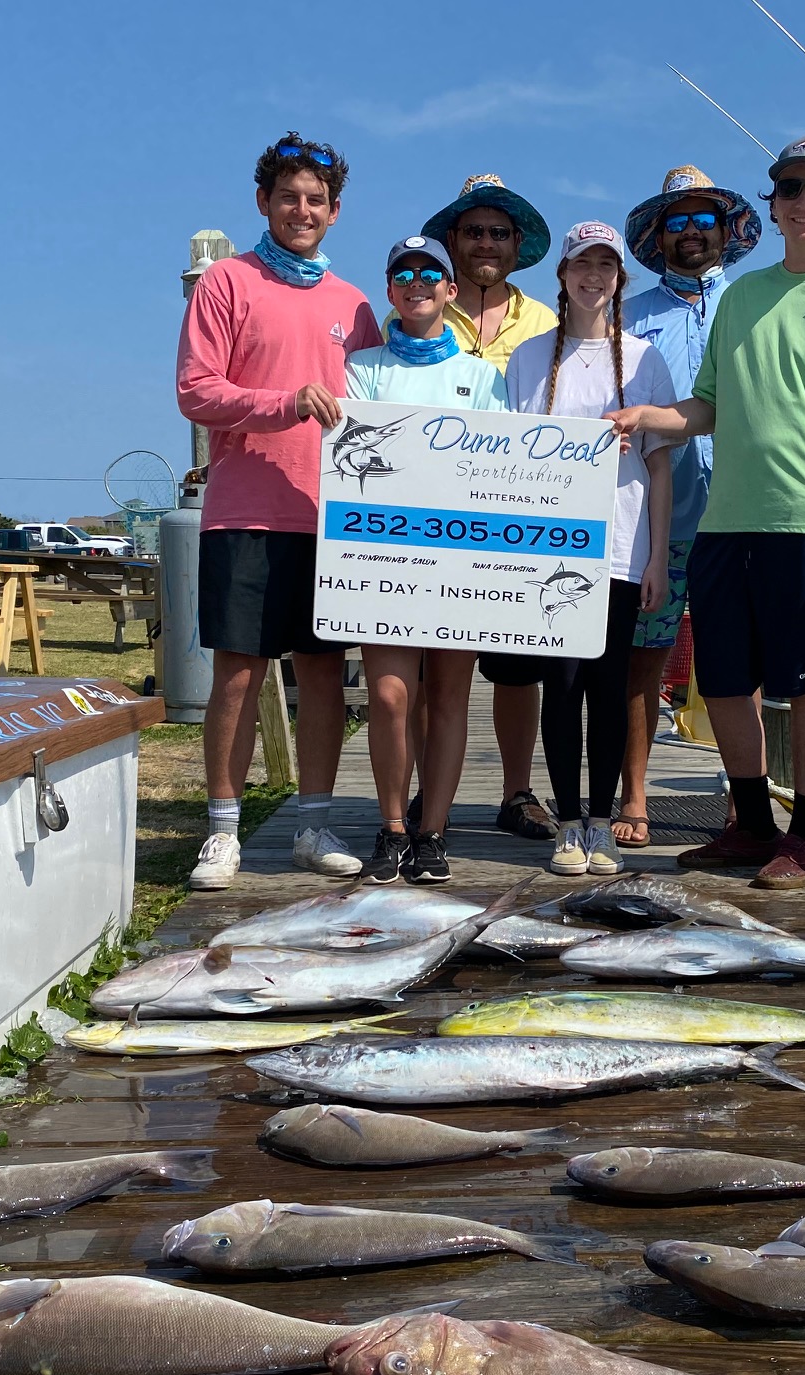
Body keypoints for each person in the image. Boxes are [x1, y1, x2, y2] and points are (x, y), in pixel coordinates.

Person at [608, 137, 805, 890]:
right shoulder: (740, 297)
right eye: (789, 188)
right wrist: (650, 415)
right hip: (724, 524)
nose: (803, 201)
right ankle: (752, 825)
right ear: (771, 207)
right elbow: (706, 409)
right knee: (728, 683)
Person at [176, 129, 382, 890]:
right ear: (263, 202)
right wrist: (283, 402)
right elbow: (196, 391)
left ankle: (313, 824)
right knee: (238, 674)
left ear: (335, 213)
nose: (303, 209)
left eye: (317, 200)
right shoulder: (226, 282)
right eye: (289, 197)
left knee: (324, 675)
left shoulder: (356, 304)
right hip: (246, 511)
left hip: (335, 520)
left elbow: (376, 409)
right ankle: (223, 830)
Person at [506, 222, 674, 877]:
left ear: (619, 279)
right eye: (583, 265)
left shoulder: (644, 359)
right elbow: (511, 459)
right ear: (564, 275)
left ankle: (602, 824)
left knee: (609, 690)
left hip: (621, 549)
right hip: (551, 552)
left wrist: (657, 556)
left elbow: (660, 470)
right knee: (562, 687)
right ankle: (568, 825)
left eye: (606, 266)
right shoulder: (529, 357)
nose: (593, 277)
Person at [344, 235, 507, 886]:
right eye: (402, 272)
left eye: (430, 272)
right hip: (382, 560)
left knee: (446, 700)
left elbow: (499, 471)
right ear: (390, 290)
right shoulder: (362, 367)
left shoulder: (482, 376)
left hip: (458, 563)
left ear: (450, 290)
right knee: (387, 697)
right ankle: (390, 827)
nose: (417, 281)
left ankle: (432, 831)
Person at [616, 165, 761, 849]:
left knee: (736, 666)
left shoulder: (755, 303)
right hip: (658, 523)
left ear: (726, 231)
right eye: (678, 221)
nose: (692, 232)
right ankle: (635, 795)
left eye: (705, 220)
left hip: (740, 516)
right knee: (645, 660)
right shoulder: (631, 316)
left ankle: (745, 801)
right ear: (659, 236)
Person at [418, 174, 560, 843]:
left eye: (498, 232)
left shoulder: (547, 322)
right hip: (433, 523)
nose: (485, 243)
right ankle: (429, 789)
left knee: (515, 669)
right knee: (433, 671)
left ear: (516, 244)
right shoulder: (418, 306)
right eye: (473, 230)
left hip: (513, 523)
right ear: (452, 240)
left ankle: (517, 791)